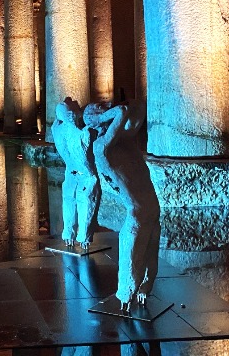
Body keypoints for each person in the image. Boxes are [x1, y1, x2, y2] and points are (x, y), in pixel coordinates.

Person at [83, 100, 160, 312]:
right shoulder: (102, 148)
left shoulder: (125, 140)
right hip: (137, 212)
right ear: (97, 119)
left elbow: (139, 107)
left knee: (149, 262)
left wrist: (104, 115)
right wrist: (101, 117)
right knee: (132, 264)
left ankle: (144, 291)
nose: (108, 104)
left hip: (151, 210)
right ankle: (127, 297)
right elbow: (124, 110)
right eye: (101, 106)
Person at [53, 98, 99, 249]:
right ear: (72, 115)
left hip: (69, 172)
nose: (74, 100)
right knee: (85, 204)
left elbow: (56, 122)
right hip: (86, 175)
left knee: (69, 203)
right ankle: (84, 238)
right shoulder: (84, 134)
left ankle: (68, 235)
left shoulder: (57, 131)